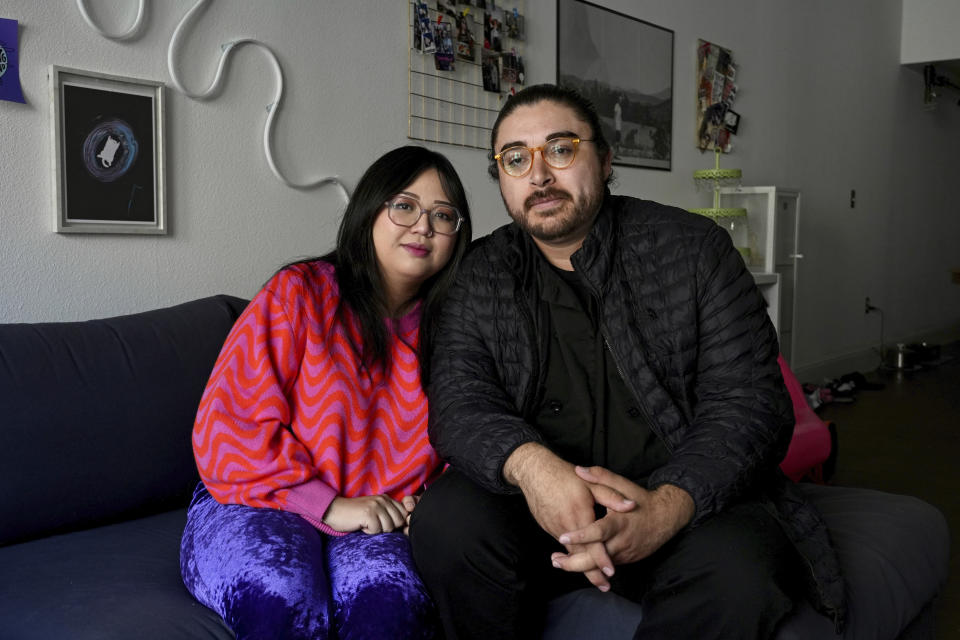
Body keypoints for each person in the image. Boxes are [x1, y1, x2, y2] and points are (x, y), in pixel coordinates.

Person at [409, 84, 845, 639]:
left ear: (606, 160)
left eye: (561, 149)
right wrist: (532, 468)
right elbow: (458, 400)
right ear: (502, 179)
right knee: (447, 522)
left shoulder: (694, 250)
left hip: (679, 500)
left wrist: (668, 507)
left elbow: (751, 403)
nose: (539, 175)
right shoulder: (478, 274)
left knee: (741, 574)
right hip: (541, 508)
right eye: (515, 159)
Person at [180, 145, 472, 640]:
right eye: (404, 206)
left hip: (380, 518)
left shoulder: (458, 331)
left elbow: (470, 440)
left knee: (389, 612)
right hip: (257, 498)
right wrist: (330, 505)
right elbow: (226, 429)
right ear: (369, 211)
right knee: (280, 596)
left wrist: (432, 505)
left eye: (442, 216)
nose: (423, 226)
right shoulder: (300, 293)